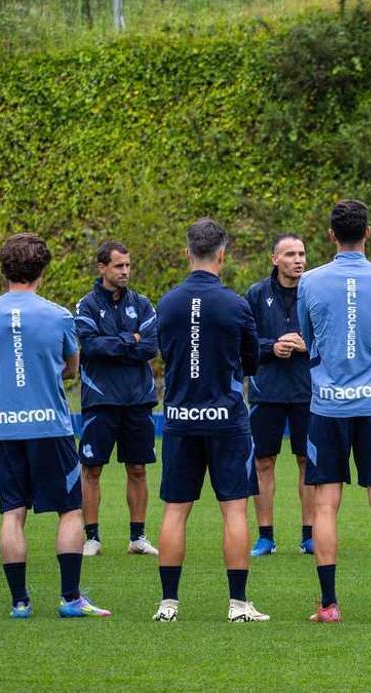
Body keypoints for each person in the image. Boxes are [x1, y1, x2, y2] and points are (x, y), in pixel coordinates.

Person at [0, 234, 111, 619]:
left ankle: (20, 601)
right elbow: (72, 366)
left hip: (5, 428)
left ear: (4, 269)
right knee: (70, 511)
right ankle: (70, 598)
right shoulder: (59, 315)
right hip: (50, 427)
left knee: (12, 513)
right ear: (42, 271)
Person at [152, 218, 268, 623]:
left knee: (175, 510)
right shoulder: (236, 304)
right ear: (223, 253)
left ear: (188, 253)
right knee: (234, 510)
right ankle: (237, 604)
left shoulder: (166, 303)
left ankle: (168, 603)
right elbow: (251, 361)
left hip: (181, 418)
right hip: (226, 420)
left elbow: (163, 351)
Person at [297, 200, 371, 623]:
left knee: (325, 504)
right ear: (368, 233)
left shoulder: (310, 281)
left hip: (328, 406)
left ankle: (328, 605)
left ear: (330, 235)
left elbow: (309, 341)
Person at [75, 241, 160, 557]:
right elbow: (91, 346)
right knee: (92, 469)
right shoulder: (85, 305)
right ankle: (92, 538)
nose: (125, 271)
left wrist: (117, 343)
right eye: (118, 266)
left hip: (137, 398)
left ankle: (137, 537)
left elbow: (150, 346)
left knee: (138, 468)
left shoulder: (142, 304)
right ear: (102, 268)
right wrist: (129, 340)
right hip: (100, 399)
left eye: (127, 265)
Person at [245, 233, 314, 556]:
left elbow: (332, 338)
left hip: (308, 391)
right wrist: (271, 347)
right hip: (266, 391)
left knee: (307, 461)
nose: (298, 260)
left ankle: (309, 535)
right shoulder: (256, 295)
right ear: (275, 259)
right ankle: (266, 536)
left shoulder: (316, 292)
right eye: (290, 254)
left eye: (301, 254)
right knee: (263, 462)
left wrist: (307, 345)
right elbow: (243, 343)